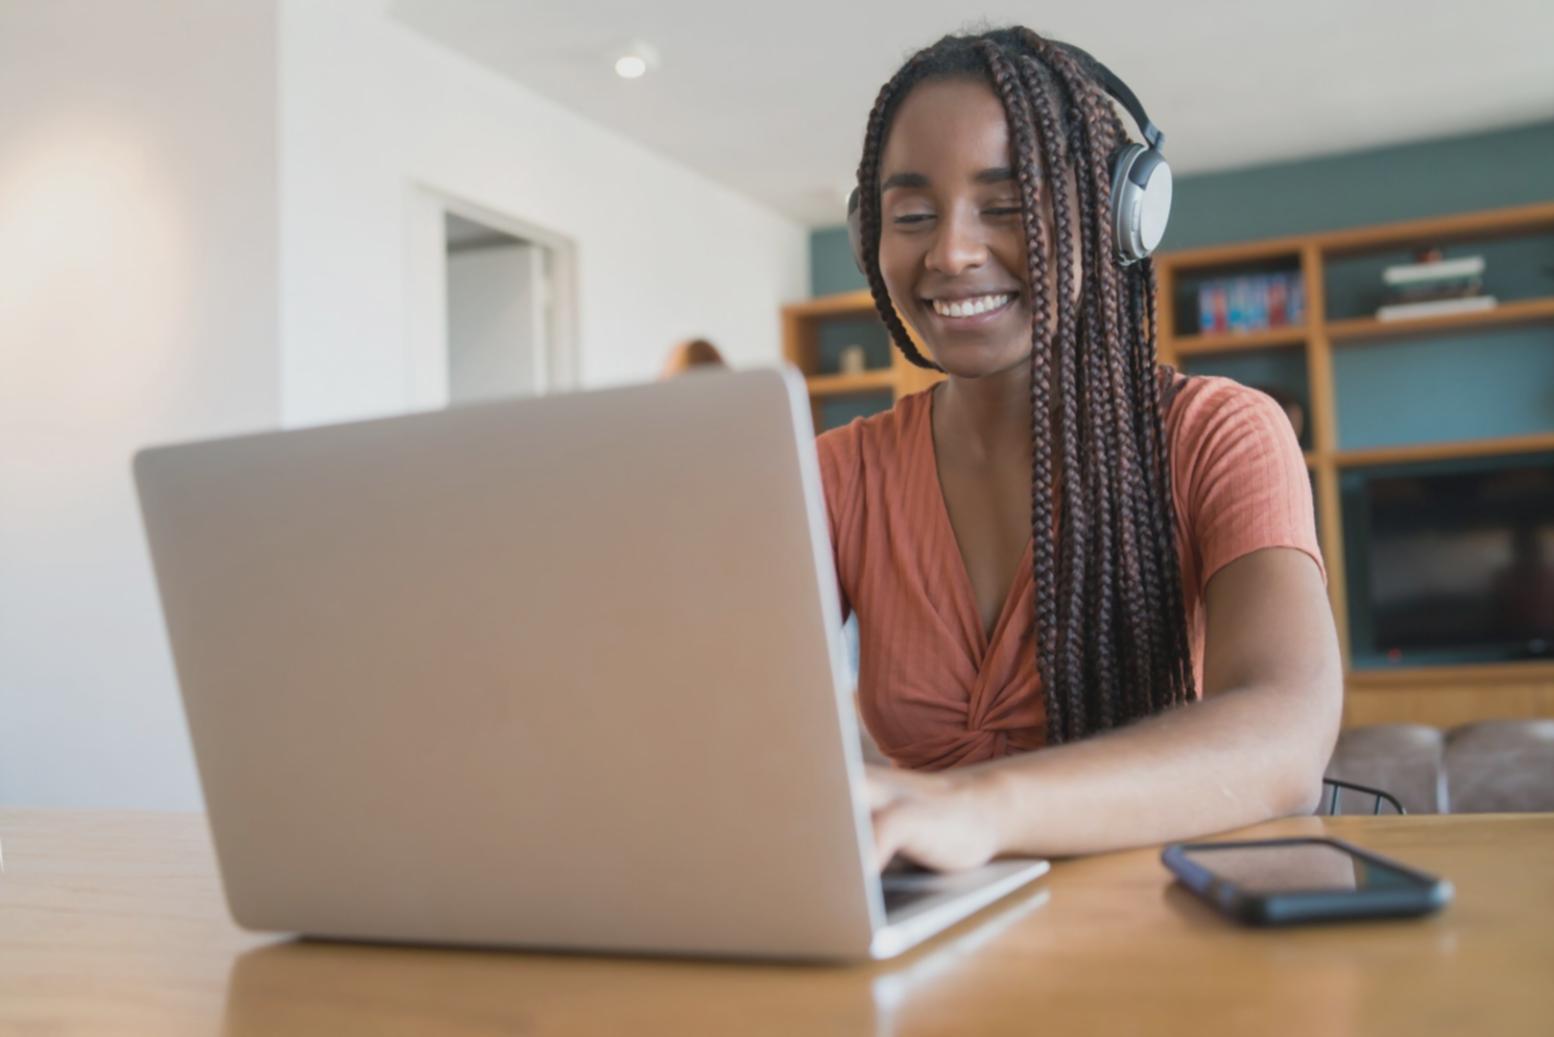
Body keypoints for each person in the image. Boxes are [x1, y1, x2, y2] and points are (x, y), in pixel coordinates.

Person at [821, 28, 1342, 871]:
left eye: (1008, 203)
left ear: (1116, 218)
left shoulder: (1217, 433)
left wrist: (982, 806)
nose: (950, 251)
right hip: (937, 949)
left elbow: (1286, 732)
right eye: (911, 215)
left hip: (1168, 948)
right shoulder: (839, 475)